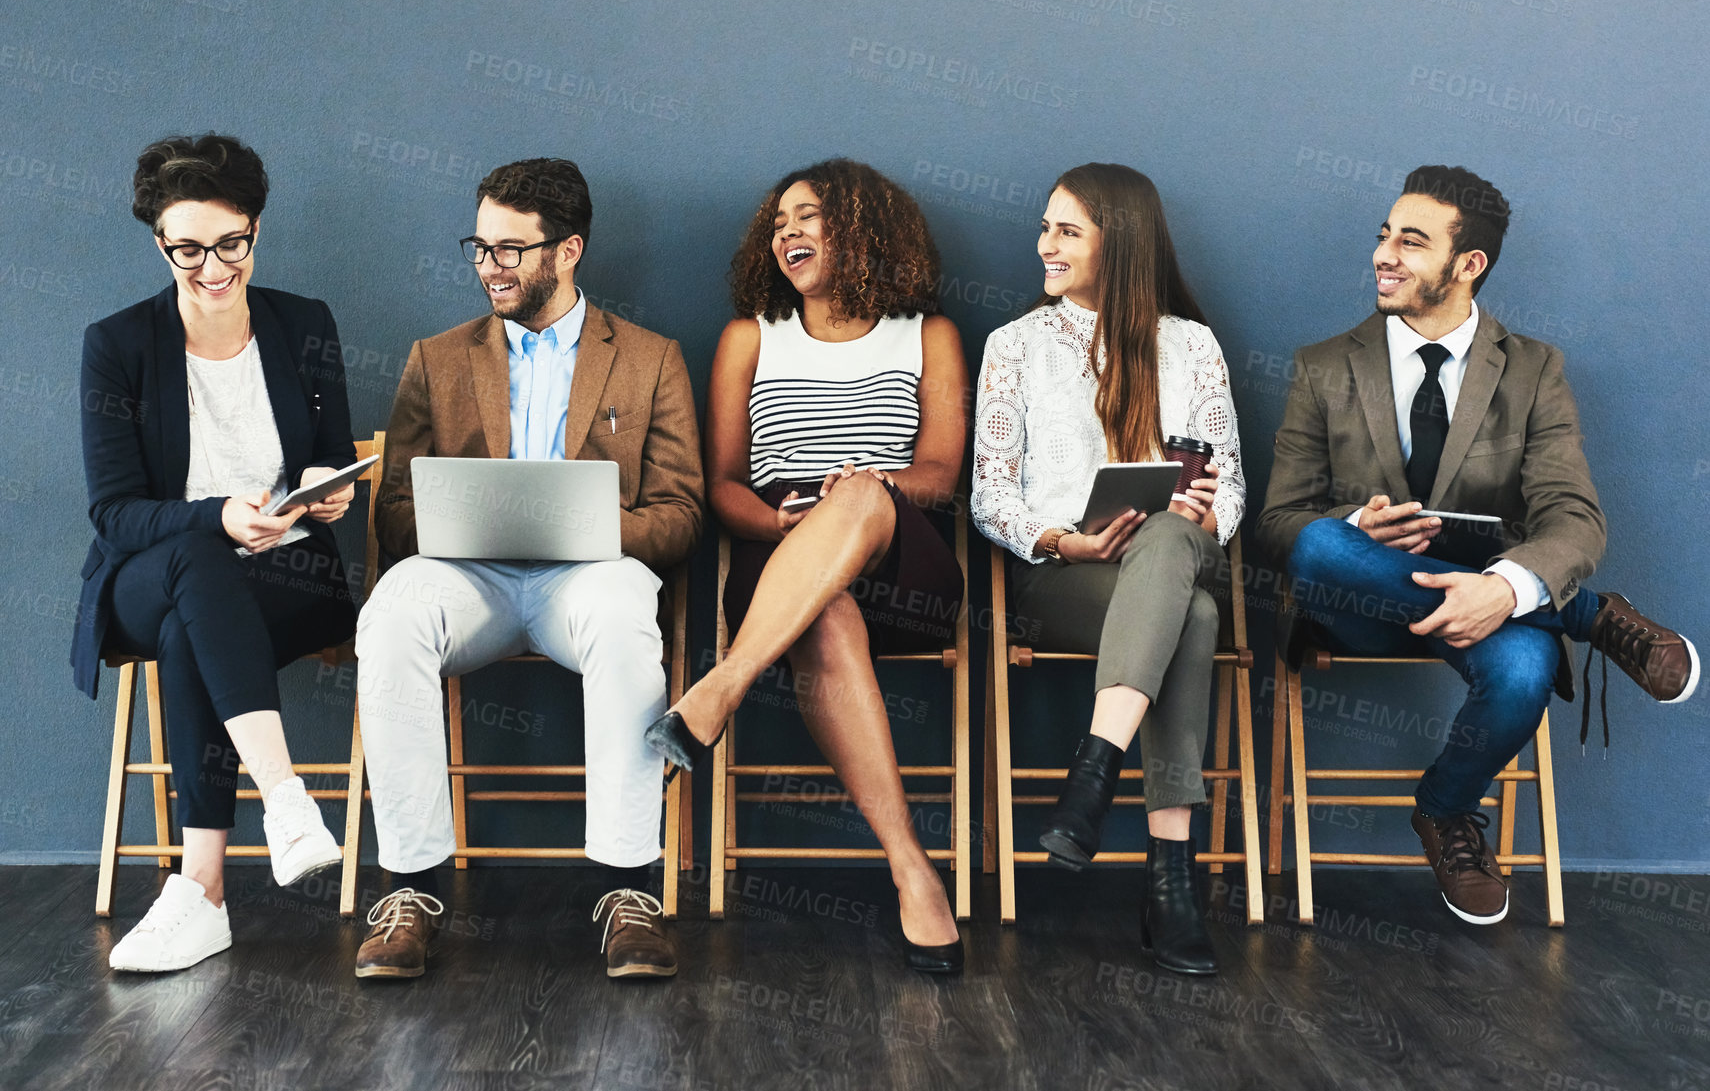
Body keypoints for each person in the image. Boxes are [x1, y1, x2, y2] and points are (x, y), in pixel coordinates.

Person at [1258, 165, 1698, 926]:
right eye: (1384, 235)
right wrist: (1362, 528)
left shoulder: (1533, 370)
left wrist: (1503, 589)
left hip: (1494, 606)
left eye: (1411, 241)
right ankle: (1587, 615)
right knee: (1324, 547)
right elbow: (1276, 524)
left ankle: (1444, 808)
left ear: (1469, 266)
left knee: (1526, 668)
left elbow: (1575, 517)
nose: (1384, 254)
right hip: (1360, 599)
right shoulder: (1324, 365)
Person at [354, 157, 703, 981]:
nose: (489, 266)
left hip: (587, 579)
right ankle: (410, 890)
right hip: (467, 578)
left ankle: (628, 891)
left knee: (624, 614)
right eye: (479, 247)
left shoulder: (651, 358)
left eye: (510, 249)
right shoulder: (436, 359)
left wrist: (583, 523)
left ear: (568, 249)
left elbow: (681, 513)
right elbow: (394, 509)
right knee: (392, 611)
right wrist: (461, 521)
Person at [643, 159, 967, 973]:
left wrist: (865, 491)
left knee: (858, 495)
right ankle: (911, 868)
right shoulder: (750, 335)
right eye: (779, 220)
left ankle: (720, 685)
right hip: (779, 542)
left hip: (902, 549)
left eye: (810, 216)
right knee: (823, 609)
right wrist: (786, 518)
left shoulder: (926, 333)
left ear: (866, 229)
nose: (788, 230)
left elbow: (939, 472)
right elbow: (721, 485)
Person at [78, 134, 360, 973]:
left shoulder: (303, 322)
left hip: (290, 570)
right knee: (197, 558)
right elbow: (115, 514)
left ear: (256, 231)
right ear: (158, 242)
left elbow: (334, 452)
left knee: (188, 628)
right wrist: (217, 515)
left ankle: (199, 891)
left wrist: (327, 485)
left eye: (229, 243)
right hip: (148, 571)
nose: (211, 267)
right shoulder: (117, 343)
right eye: (188, 248)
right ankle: (284, 798)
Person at [971, 163, 1243, 977]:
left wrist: (1201, 514)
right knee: (1192, 619)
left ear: (1117, 243)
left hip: (1177, 552)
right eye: (1045, 226)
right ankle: (1170, 886)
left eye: (1067, 231)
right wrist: (1062, 538)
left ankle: (1094, 773)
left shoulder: (1191, 345)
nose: (1045, 245)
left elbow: (1227, 483)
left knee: (1168, 541)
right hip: (1067, 576)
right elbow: (988, 493)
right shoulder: (1013, 346)